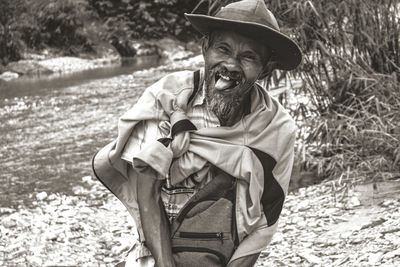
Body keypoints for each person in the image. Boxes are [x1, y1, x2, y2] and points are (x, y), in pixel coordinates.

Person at [92, 0, 302, 266]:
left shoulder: (277, 128)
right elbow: (147, 191)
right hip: (158, 252)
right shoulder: (166, 98)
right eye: (222, 49)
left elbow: (266, 218)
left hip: (223, 254)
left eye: (248, 57)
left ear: (265, 69)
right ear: (205, 48)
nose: (231, 65)